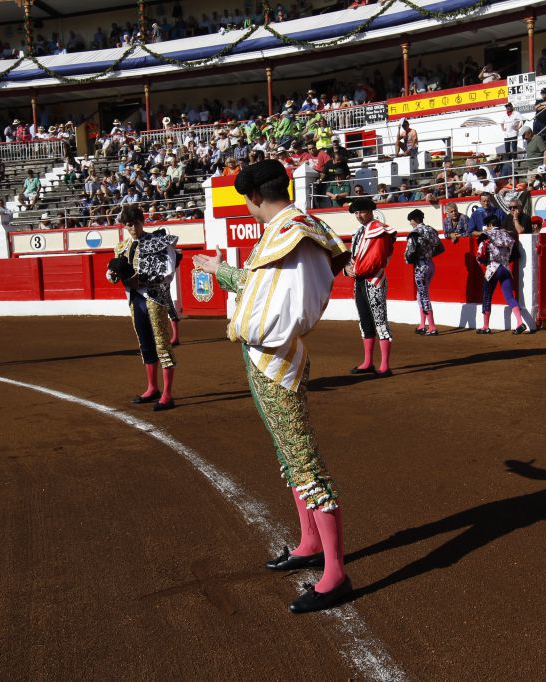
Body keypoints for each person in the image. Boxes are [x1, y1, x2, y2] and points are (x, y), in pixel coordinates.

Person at [191, 159, 352, 614]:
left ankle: (336, 573)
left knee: (304, 460)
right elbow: (260, 290)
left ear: (255, 197)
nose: (247, 209)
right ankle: (309, 544)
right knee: (289, 453)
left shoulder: (291, 235)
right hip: (268, 355)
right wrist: (220, 269)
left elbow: (282, 306)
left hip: (277, 357)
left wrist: (224, 275)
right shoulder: (291, 231)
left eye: (246, 201)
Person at [107, 205, 179, 411]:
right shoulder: (121, 247)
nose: (133, 228)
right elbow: (110, 272)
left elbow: (168, 270)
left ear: (142, 221)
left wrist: (143, 279)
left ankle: (167, 394)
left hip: (154, 297)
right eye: (129, 225)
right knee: (145, 343)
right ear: (125, 226)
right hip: (134, 300)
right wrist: (112, 276)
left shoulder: (159, 242)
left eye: (136, 223)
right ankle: (152, 388)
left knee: (162, 344)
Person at [344, 197, 396, 376]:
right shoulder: (360, 231)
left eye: (362, 212)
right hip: (360, 280)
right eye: (356, 213)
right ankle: (367, 362)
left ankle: (385, 365)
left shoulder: (379, 230)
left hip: (374, 279)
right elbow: (354, 256)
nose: (358, 216)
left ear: (371, 211)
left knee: (380, 320)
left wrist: (357, 270)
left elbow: (377, 258)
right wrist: (347, 269)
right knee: (365, 320)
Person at [475, 215, 529, 335]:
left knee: (487, 296)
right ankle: (520, 322)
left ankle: (485, 326)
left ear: (490, 225)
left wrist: (484, 262)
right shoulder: (508, 235)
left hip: (492, 269)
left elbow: (479, 255)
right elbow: (514, 254)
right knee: (510, 297)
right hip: (505, 268)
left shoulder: (485, 236)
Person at [404, 209, 444, 336]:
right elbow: (440, 247)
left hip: (421, 267)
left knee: (424, 295)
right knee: (420, 295)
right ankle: (422, 325)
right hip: (430, 264)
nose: (410, 223)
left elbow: (410, 252)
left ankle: (432, 327)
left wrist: (411, 259)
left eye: (410, 221)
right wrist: (429, 255)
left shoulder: (415, 233)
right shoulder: (431, 230)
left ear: (414, 220)